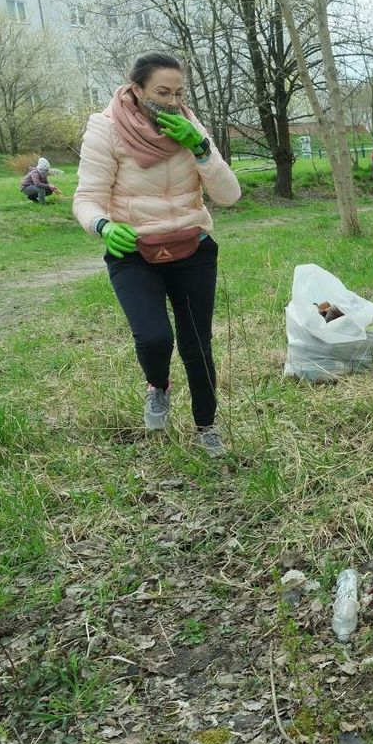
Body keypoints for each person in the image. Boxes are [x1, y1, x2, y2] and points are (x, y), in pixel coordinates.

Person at [72, 51, 241, 457]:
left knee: (197, 344)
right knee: (154, 337)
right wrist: (103, 226)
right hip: (134, 251)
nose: (172, 101)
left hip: (192, 247)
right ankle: (158, 387)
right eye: (162, 92)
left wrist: (200, 148)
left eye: (179, 92)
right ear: (136, 89)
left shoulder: (190, 126)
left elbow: (229, 195)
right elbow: (87, 198)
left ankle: (206, 426)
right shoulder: (105, 128)